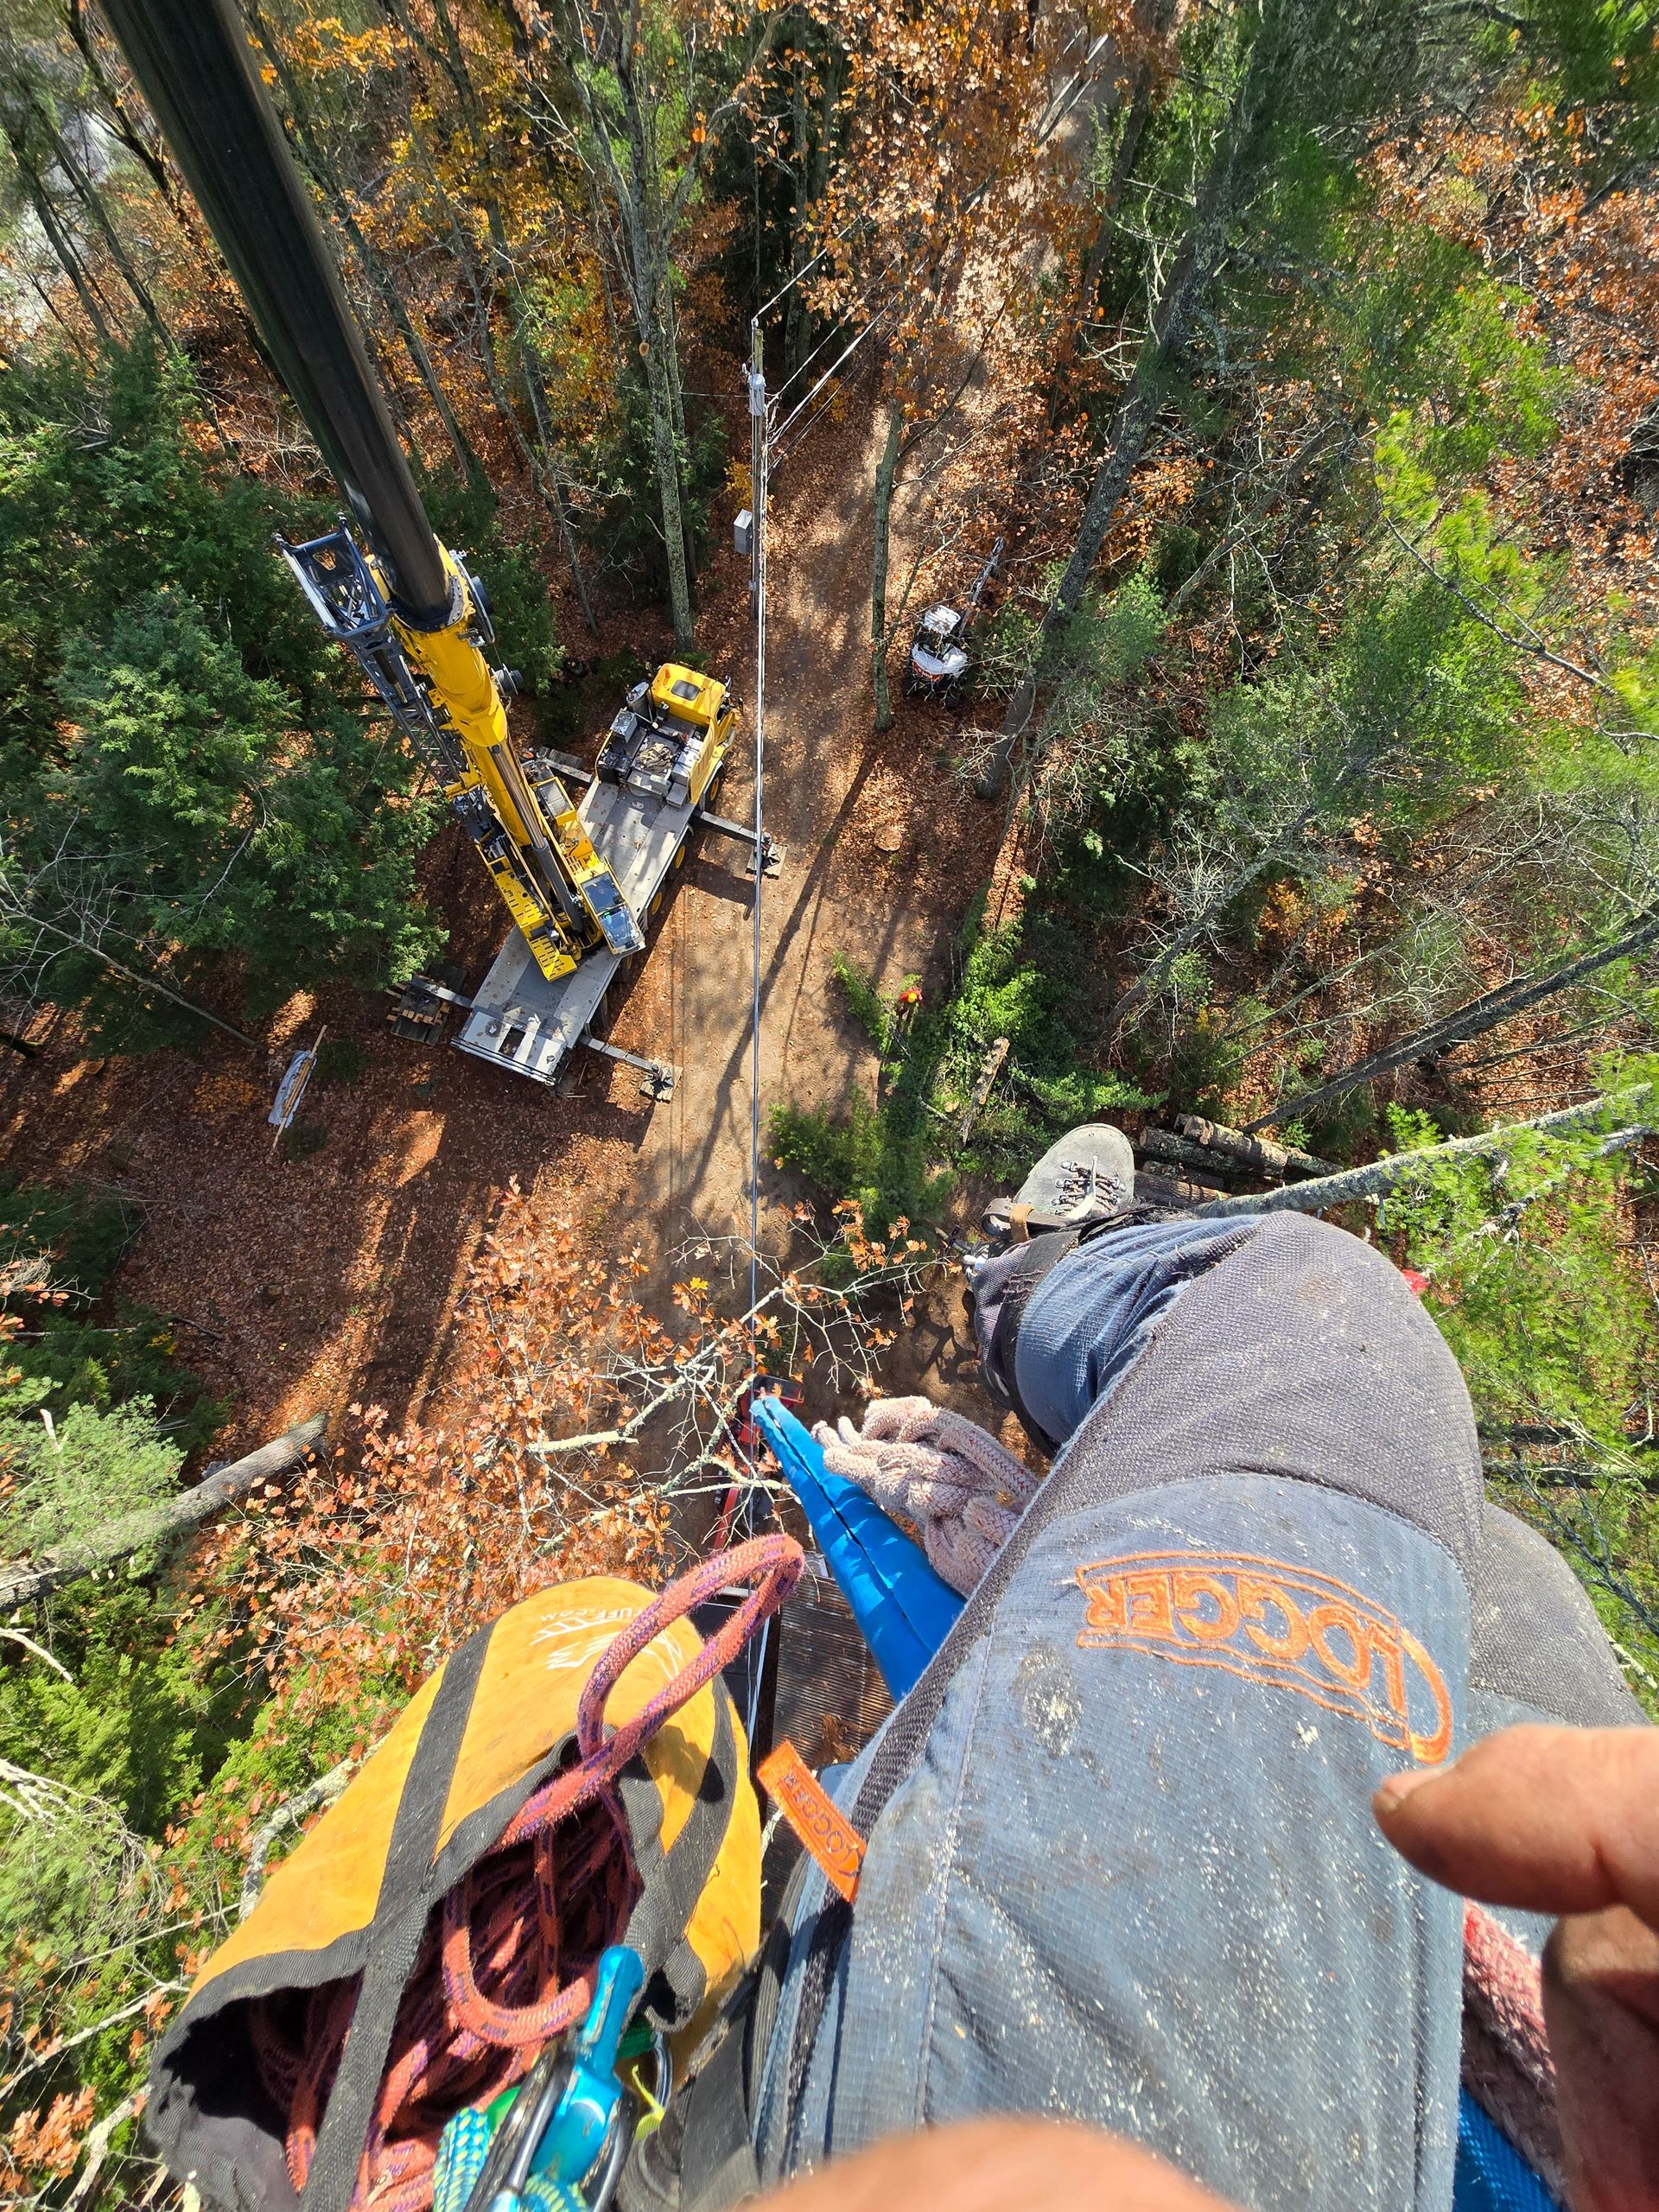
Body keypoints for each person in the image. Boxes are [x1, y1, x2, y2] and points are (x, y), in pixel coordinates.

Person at [636, 1128, 1654, 2212]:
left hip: (1093, 2109)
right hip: (1532, 2120)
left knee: (1331, 1332)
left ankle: (1036, 1290)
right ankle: (1077, 1374)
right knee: (1514, 1589)